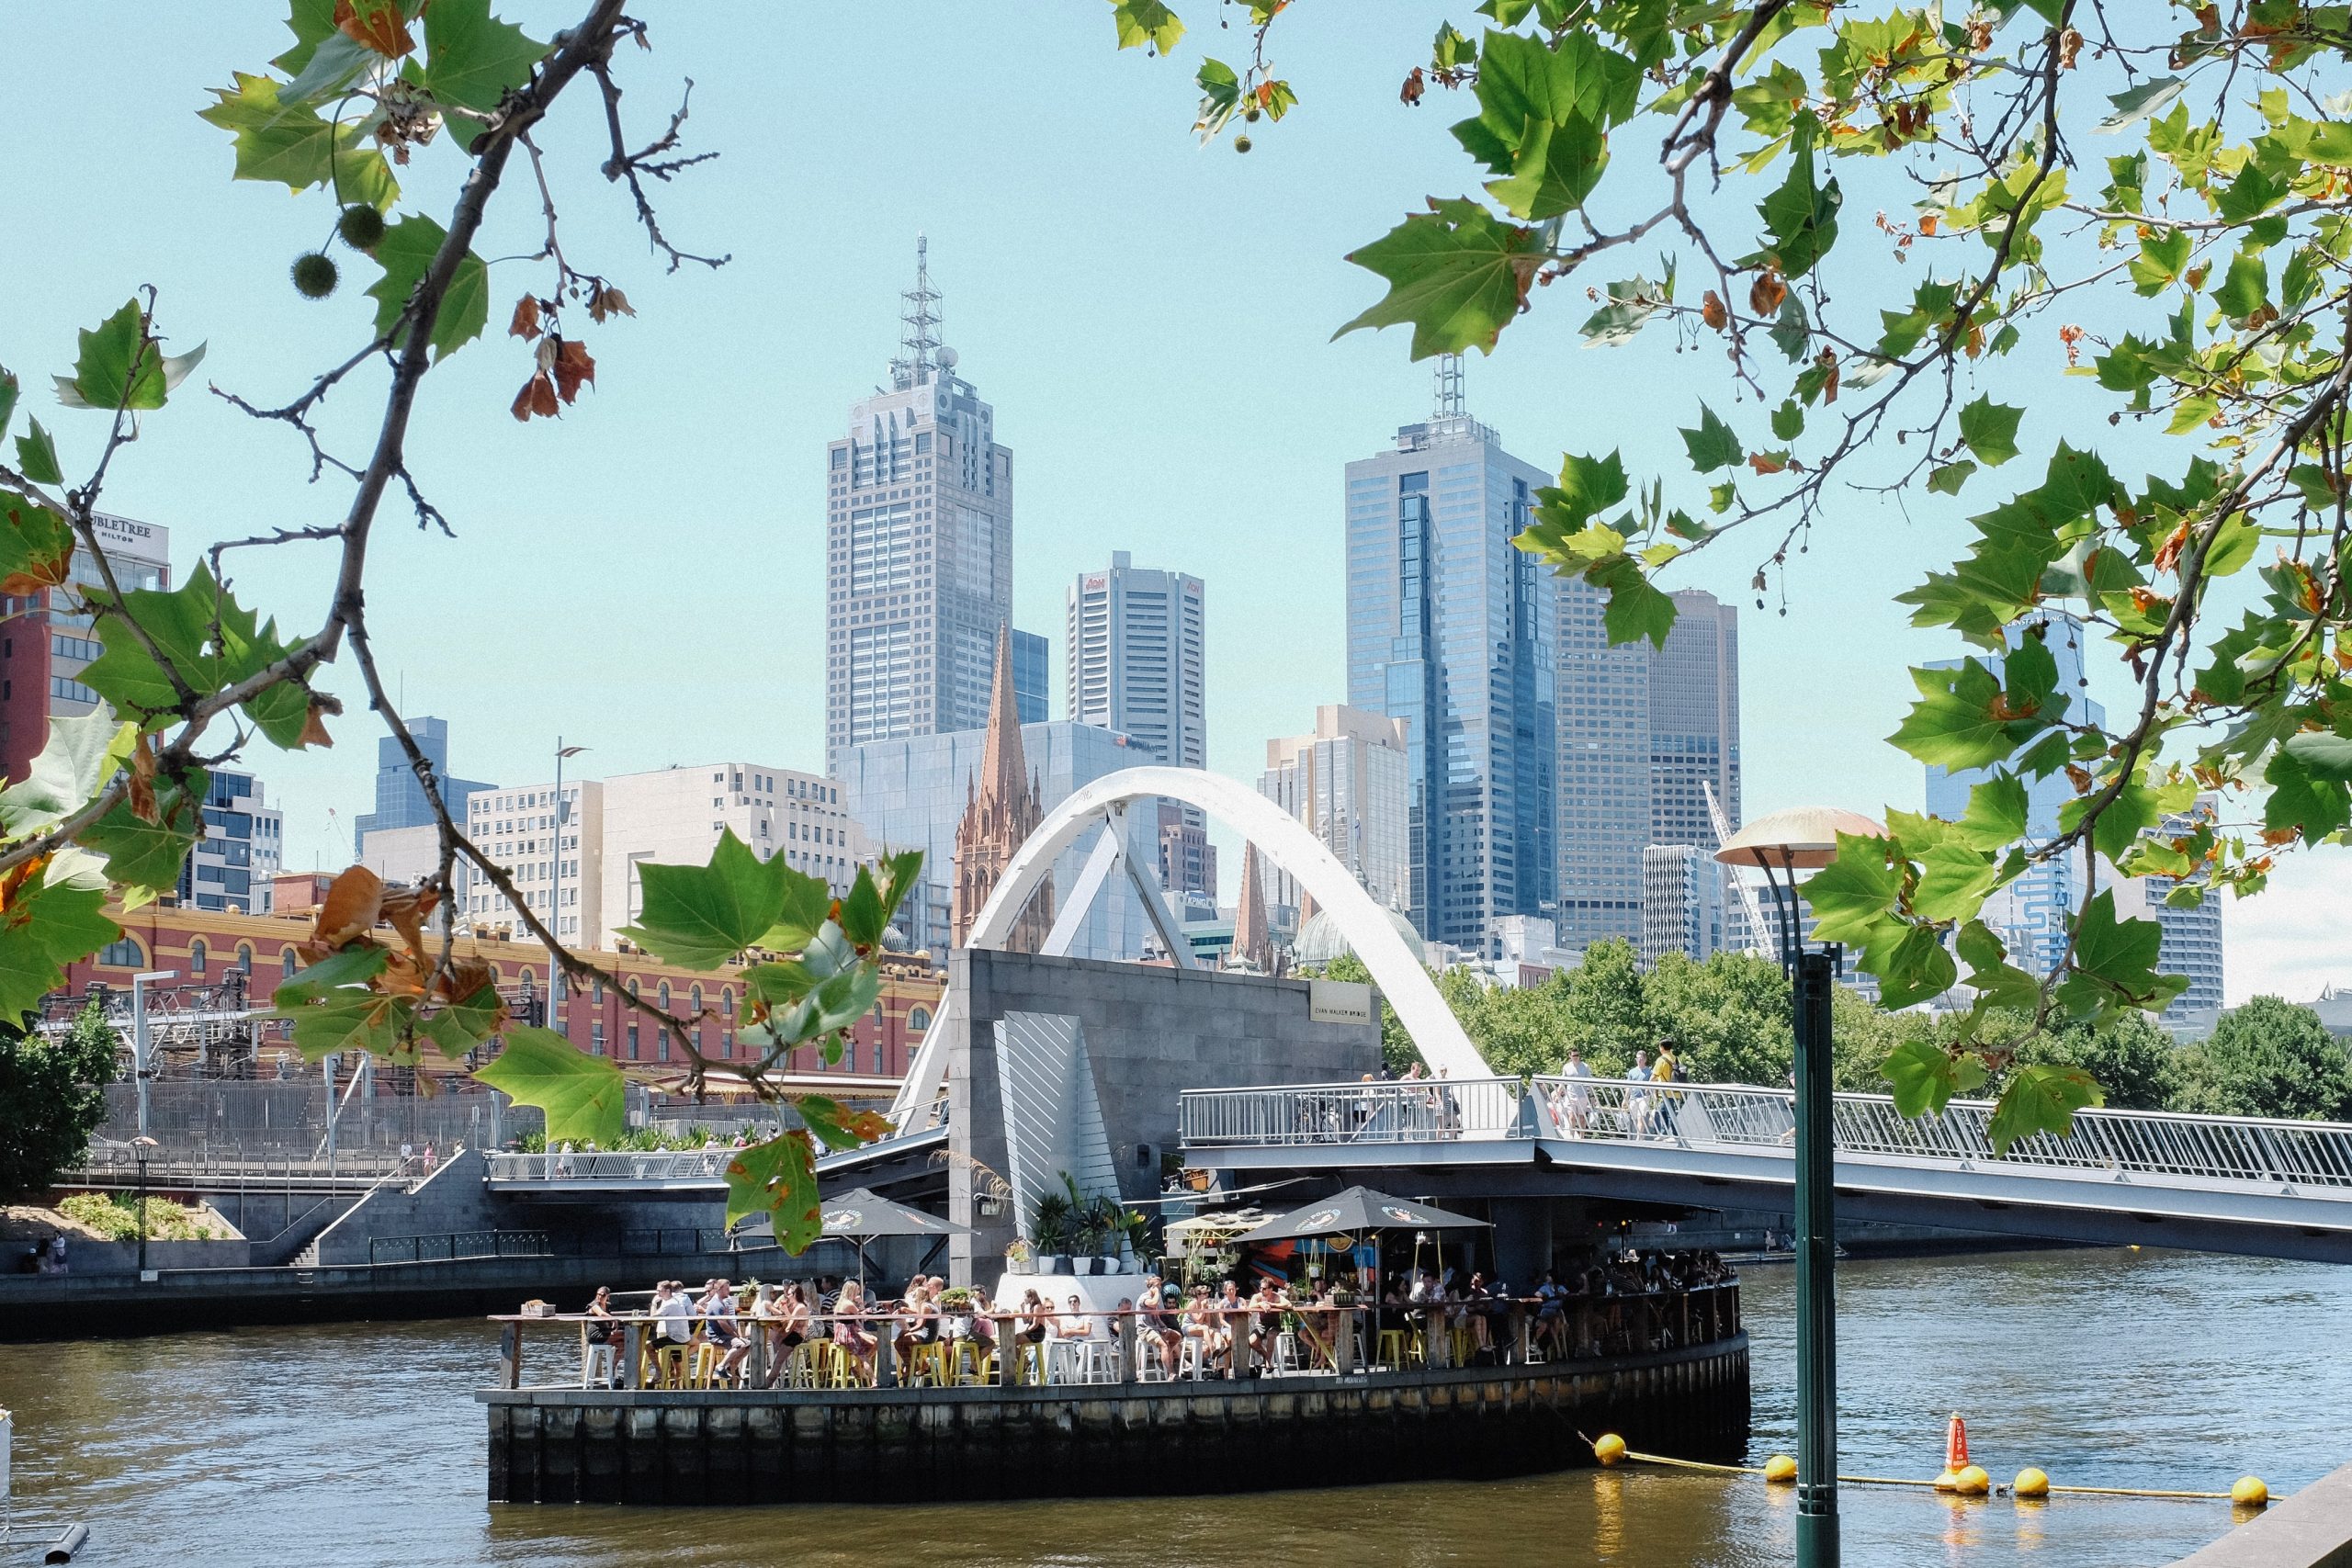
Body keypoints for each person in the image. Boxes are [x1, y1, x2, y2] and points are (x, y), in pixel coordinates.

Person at [1557, 1047, 1595, 1134]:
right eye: (1574, 1055)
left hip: (1582, 1095)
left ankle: (1582, 1137)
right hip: (1571, 1095)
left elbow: (1590, 1082)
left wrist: (1592, 1096)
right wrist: (1558, 1093)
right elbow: (1562, 1082)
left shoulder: (1585, 1067)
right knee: (1572, 1117)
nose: (1576, 1057)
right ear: (1570, 1056)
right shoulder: (1566, 1067)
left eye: (1577, 1055)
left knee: (1582, 1118)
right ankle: (1572, 1135)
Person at [1649, 1039, 1683, 1137]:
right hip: (1676, 1090)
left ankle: (1675, 1135)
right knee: (1663, 1111)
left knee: (1670, 1113)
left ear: (1662, 1048)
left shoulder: (1661, 1060)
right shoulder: (1676, 1058)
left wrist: (1647, 1086)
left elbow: (1655, 1075)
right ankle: (1664, 1133)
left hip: (1666, 1091)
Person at [1626, 1050, 1653, 1138]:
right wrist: (1625, 1099)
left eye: (1641, 1059)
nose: (1639, 1060)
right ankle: (1639, 1135)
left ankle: (1638, 1137)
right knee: (1634, 1118)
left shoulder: (1649, 1072)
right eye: (1638, 1059)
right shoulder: (1631, 1072)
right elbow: (1628, 1086)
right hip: (1633, 1097)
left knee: (1640, 1117)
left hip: (1644, 1097)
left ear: (1645, 1059)